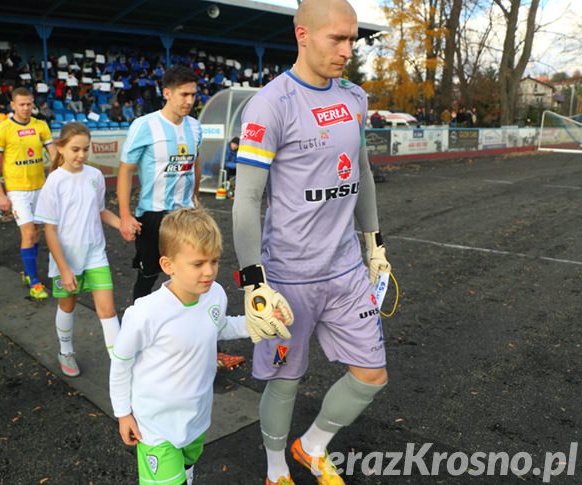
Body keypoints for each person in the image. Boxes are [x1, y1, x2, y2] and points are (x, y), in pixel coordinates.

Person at [232, 1, 391, 484]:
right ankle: (276, 468)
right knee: (286, 381)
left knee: (372, 375)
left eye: (352, 39)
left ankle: (312, 446)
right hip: (288, 279)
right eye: (336, 39)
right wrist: (253, 281)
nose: (347, 49)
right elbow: (246, 201)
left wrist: (375, 245)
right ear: (303, 34)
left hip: (346, 272)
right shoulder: (270, 103)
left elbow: (360, 174)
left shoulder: (354, 98)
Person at [110, 208, 259, 485]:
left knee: (187, 467)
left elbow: (218, 327)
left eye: (214, 261)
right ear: (168, 265)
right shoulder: (145, 313)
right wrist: (123, 413)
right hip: (154, 426)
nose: (209, 271)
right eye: (198, 263)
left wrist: (256, 324)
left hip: (196, 418)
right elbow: (121, 361)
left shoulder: (214, 294)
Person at [34, 123, 121, 377]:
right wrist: (64, 268)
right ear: (60, 148)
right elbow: (49, 230)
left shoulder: (95, 176)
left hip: (96, 253)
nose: (81, 155)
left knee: (108, 310)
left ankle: (119, 363)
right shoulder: (54, 182)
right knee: (67, 305)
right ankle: (66, 350)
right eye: (75, 149)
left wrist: (121, 225)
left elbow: (100, 210)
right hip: (66, 258)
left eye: (85, 149)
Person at [116, 65, 202, 302]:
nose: (189, 100)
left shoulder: (195, 126)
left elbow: (196, 161)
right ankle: (137, 327)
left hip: (185, 215)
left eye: (193, 95)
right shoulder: (144, 125)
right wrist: (124, 215)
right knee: (149, 276)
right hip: (153, 216)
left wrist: (195, 196)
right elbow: (125, 170)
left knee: (188, 272)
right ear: (167, 93)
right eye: (184, 94)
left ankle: (181, 326)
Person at [0, 86, 57, 300]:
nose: (26, 108)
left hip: (40, 188)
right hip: (17, 191)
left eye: (29, 104)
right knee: (28, 233)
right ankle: (35, 282)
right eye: (22, 104)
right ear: (13, 105)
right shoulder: (3, 129)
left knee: (35, 233)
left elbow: (54, 155)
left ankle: (29, 272)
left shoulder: (41, 125)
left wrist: (56, 177)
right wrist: (1, 194)